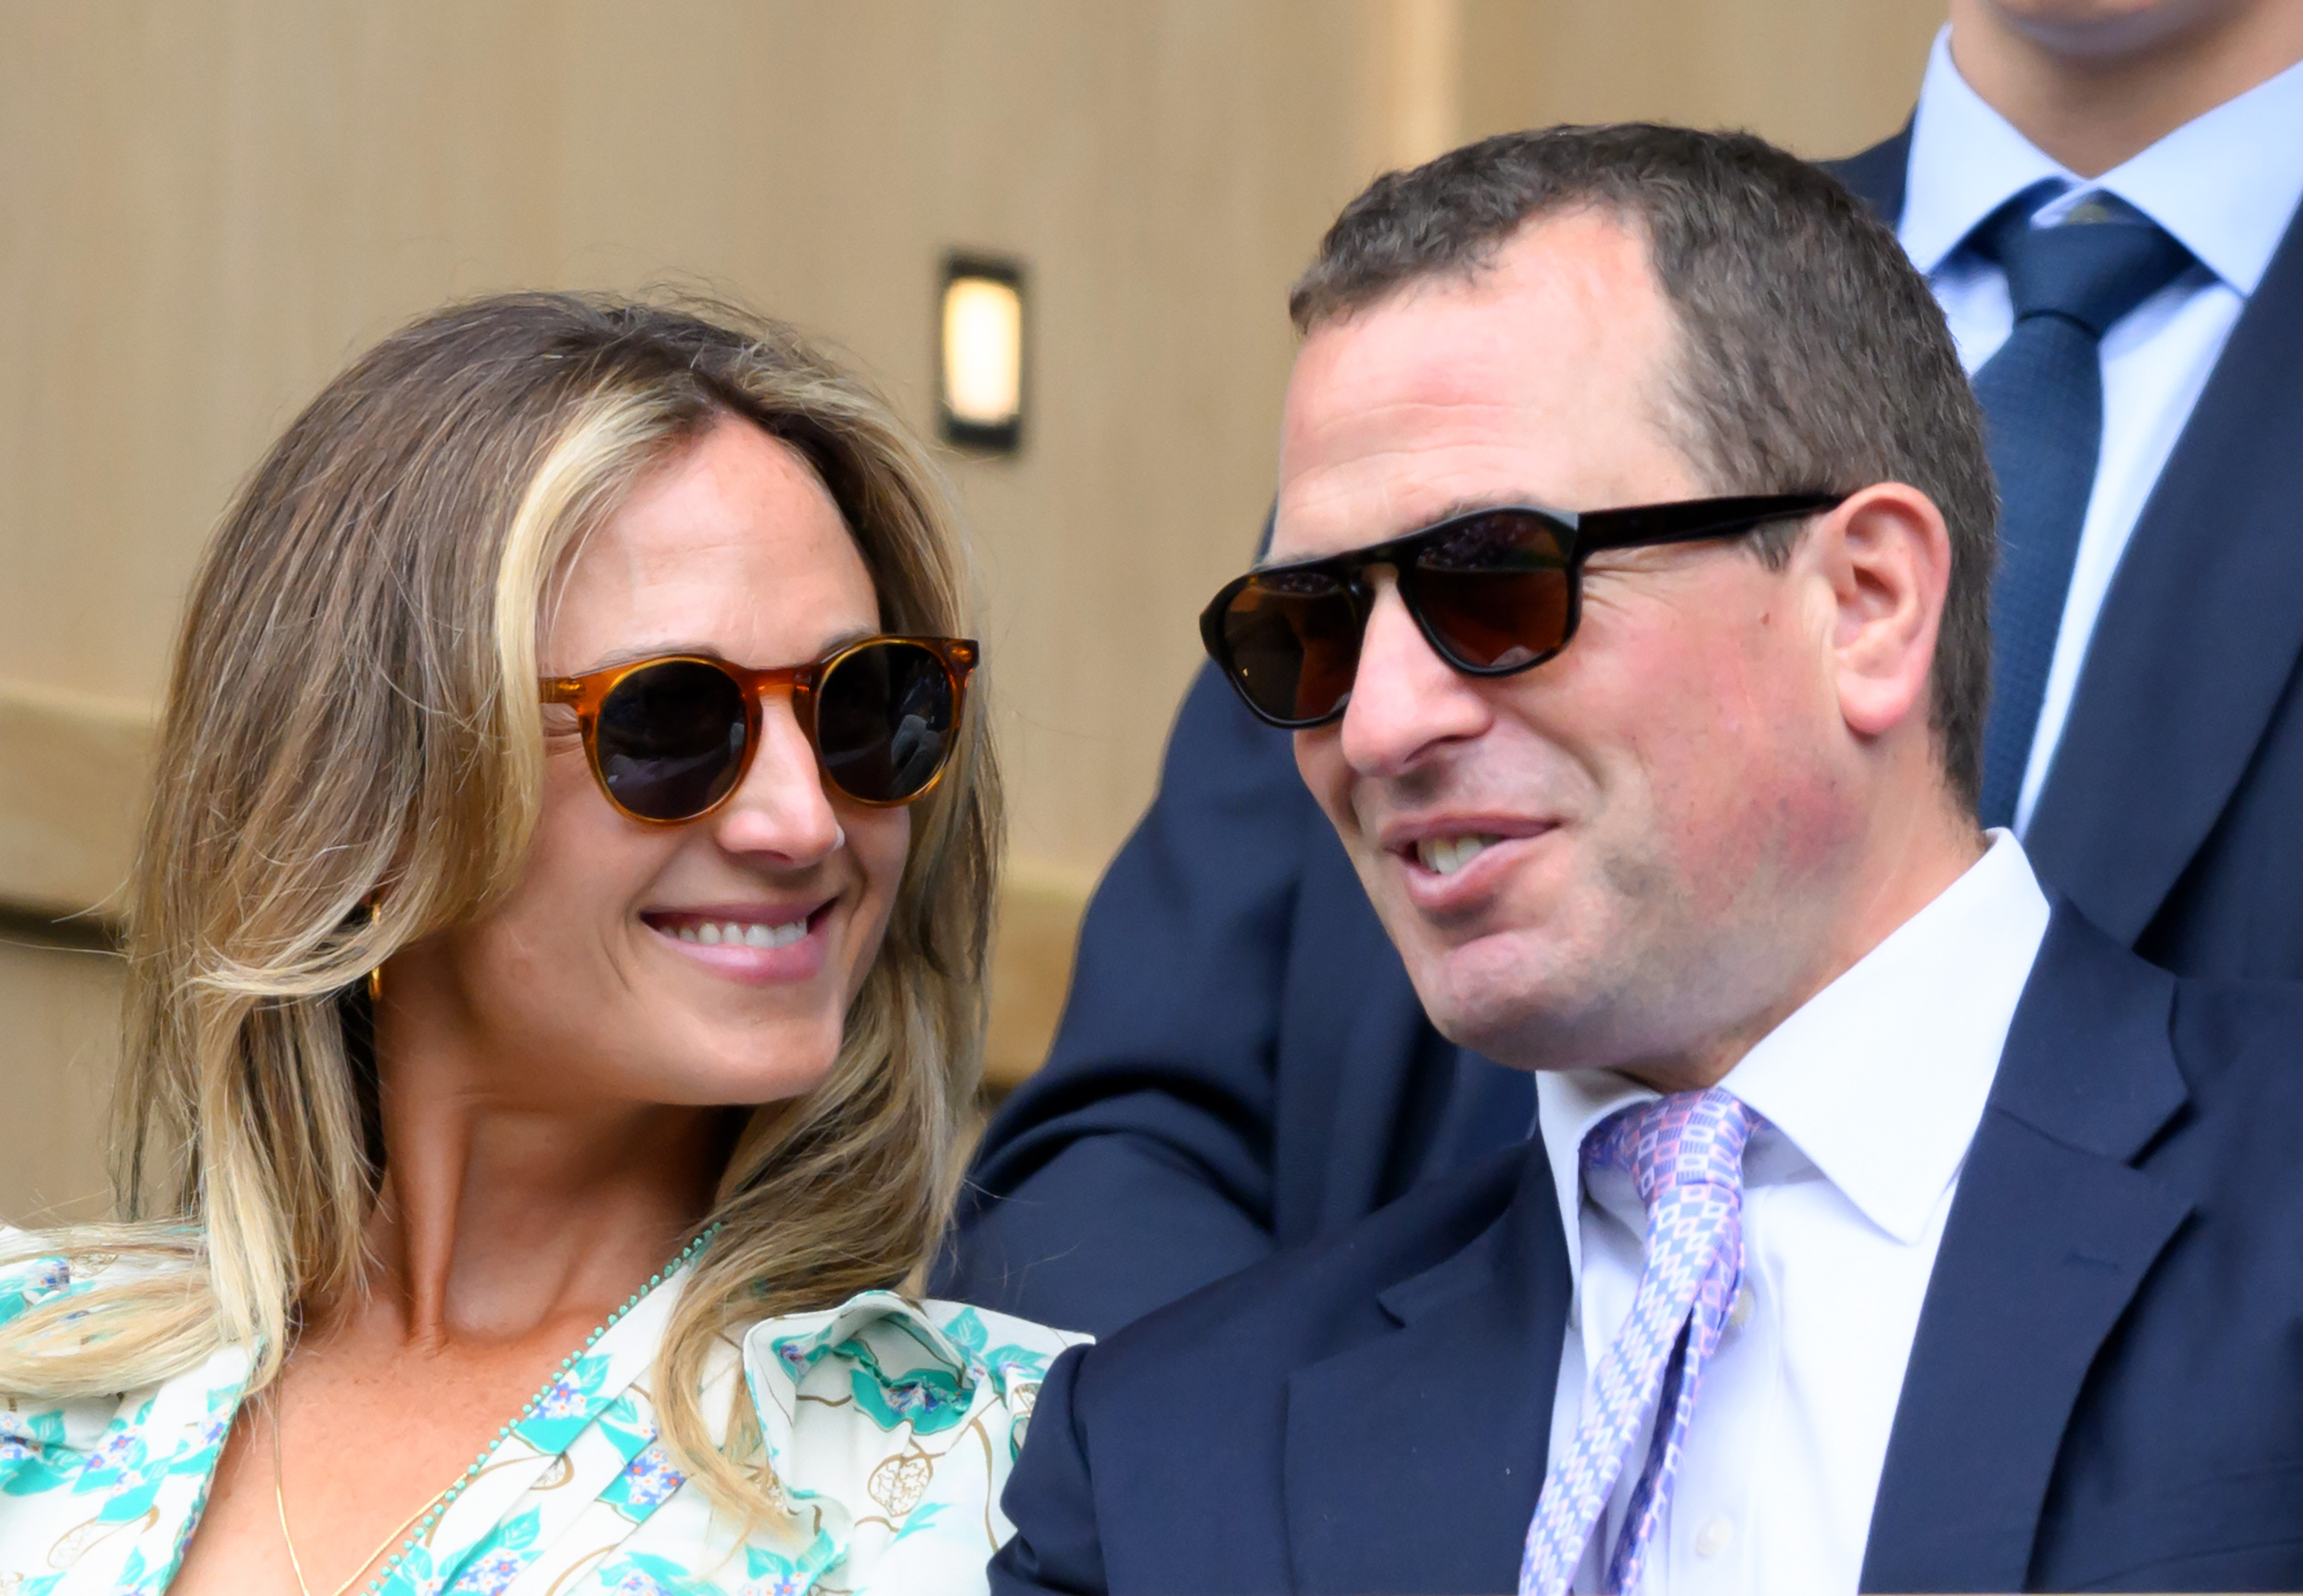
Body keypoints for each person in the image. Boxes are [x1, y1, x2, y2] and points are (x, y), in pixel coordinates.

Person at [990, 125, 2303, 1596]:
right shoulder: (1167, 1453)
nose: (1378, 723)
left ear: (1866, 602)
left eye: (1493, 581)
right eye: (1312, 628)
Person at [0, 294, 1080, 1596]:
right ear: (376, 800)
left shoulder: (1018, 1471)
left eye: (866, 710)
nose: (806, 822)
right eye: (673, 721)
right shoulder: (35, 1368)